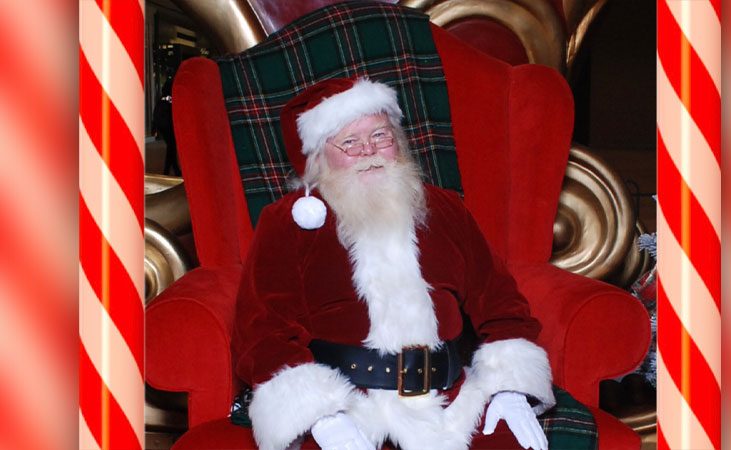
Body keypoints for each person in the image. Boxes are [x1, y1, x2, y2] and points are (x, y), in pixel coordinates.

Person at [232, 78, 558, 450]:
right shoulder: (290, 221)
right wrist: (322, 416)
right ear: (320, 156)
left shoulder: (445, 208)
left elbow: (500, 302)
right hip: (349, 406)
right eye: (349, 142)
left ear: (398, 144)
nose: (368, 151)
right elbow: (261, 331)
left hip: (454, 401)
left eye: (381, 136)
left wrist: (510, 388)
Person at [152, 79, 181, 176]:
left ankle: (171, 169)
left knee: (171, 147)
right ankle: (171, 170)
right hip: (169, 126)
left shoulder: (162, 99)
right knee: (171, 147)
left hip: (163, 127)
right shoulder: (170, 99)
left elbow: (156, 113)